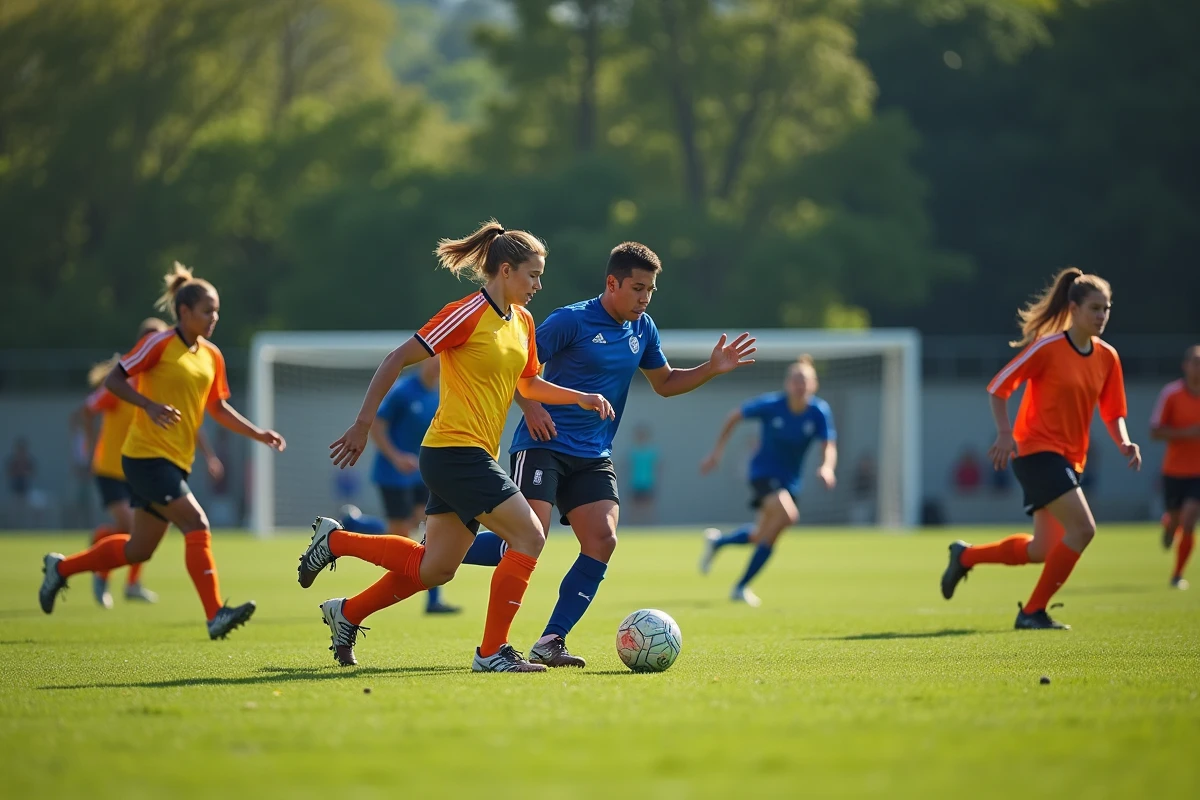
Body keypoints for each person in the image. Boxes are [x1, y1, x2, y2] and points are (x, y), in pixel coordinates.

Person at [296, 220, 615, 672]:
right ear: (506, 270)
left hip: (473, 455)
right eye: (533, 275)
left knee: (435, 568)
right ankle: (492, 652)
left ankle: (341, 570)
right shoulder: (465, 312)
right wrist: (363, 424)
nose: (538, 285)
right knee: (529, 535)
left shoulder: (523, 321)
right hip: (453, 452)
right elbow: (397, 358)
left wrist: (578, 397)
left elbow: (528, 383)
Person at [456, 242, 756, 667]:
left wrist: (710, 368)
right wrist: (531, 407)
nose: (645, 298)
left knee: (603, 539)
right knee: (526, 541)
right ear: (612, 283)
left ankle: (551, 640)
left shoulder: (643, 328)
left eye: (650, 290)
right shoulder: (570, 320)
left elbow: (665, 383)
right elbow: (514, 366)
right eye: (637, 288)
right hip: (544, 444)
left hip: (594, 454)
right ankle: (444, 549)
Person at [38, 263, 285, 639]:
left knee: (138, 550)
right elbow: (114, 379)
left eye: (216, 311)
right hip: (145, 457)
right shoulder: (159, 343)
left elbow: (217, 408)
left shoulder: (212, 356)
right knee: (196, 523)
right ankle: (215, 615)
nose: (214, 317)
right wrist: (148, 405)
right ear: (184, 311)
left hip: (176, 461)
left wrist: (258, 433)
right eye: (207, 310)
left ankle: (61, 569)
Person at [940, 267, 1140, 630]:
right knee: (1084, 530)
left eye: (1106, 309)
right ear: (1074, 309)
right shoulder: (1048, 347)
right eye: (1095, 308)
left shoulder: (1108, 357)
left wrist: (1124, 441)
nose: (1101, 316)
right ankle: (1032, 612)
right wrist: (1005, 433)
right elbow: (999, 387)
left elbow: (1113, 411)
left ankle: (966, 556)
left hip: (1070, 458)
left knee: (1042, 550)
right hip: (1036, 451)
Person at [72, 318, 228, 608]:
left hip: (143, 467)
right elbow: (85, 411)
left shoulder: (166, 382)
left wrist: (209, 456)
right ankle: (97, 570)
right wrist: (88, 450)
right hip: (111, 467)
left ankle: (131, 584)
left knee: (144, 536)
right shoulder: (123, 385)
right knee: (130, 527)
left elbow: (191, 422)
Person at [697, 355, 837, 606]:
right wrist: (716, 452)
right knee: (789, 516)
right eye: (796, 380)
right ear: (787, 383)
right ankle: (740, 587)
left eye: (805, 380)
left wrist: (827, 467)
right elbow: (734, 415)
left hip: (790, 482)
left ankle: (719, 542)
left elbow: (828, 445)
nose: (800, 385)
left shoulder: (818, 411)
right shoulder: (772, 405)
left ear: (814, 384)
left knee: (759, 535)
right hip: (762, 474)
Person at [360, 356, 460, 614]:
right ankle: (356, 526)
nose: (438, 364)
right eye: (434, 358)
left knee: (429, 531)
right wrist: (396, 457)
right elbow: (377, 426)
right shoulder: (402, 391)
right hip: (393, 474)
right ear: (423, 360)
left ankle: (434, 600)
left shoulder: (442, 392)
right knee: (401, 534)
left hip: (423, 474)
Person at [1149, 344, 1200, 589]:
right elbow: (1155, 432)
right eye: (1196, 362)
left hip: (1198, 472)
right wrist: (1187, 433)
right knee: (1176, 520)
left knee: (1189, 519)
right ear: (1185, 366)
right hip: (1174, 471)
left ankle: (1177, 574)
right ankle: (1169, 526)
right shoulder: (1171, 394)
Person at [627, 423, 661, 524]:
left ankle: (649, 525)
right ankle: (634, 525)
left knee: (648, 507)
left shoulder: (651, 451)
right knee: (634, 508)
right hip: (635, 482)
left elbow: (657, 467)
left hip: (648, 482)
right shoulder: (633, 451)